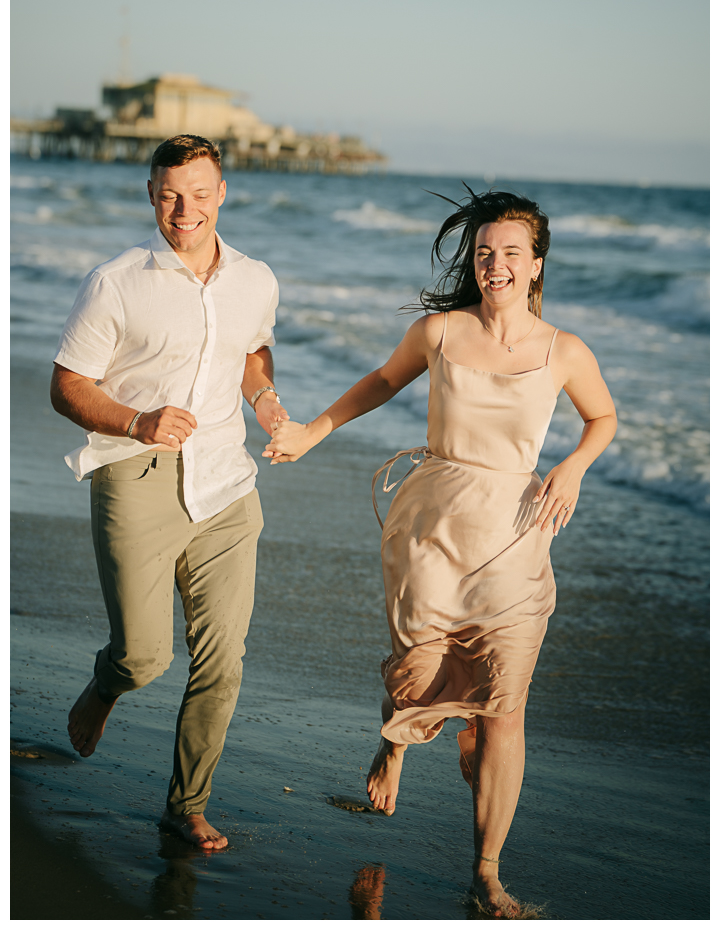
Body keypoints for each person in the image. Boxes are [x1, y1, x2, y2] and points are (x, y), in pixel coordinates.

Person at [264, 187, 617, 915]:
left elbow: (603, 416)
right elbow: (382, 382)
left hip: (516, 535)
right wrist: (310, 431)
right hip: (432, 527)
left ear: (536, 264)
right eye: (484, 252)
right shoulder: (442, 333)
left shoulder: (564, 350)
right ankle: (397, 737)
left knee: (505, 707)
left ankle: (486, 872)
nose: (495, 264)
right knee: (419, 665)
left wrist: (574, 464)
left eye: (510, 253)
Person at [50, 134, 287, 851]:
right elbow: (65, 386)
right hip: (136, 476)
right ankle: (106, 684)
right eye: (169, 194)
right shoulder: (116, 282)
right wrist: (137, 420)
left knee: (224, 658)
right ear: (152, 195)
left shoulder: (256, 279)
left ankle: (186, 805)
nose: (184, 210)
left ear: (223, 193)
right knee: (144, 655)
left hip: (226, 486)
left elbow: (251, 349)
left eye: (199, 193)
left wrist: (268, 402)